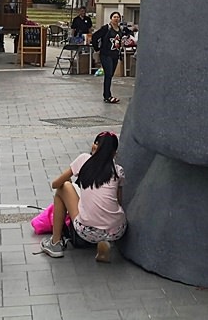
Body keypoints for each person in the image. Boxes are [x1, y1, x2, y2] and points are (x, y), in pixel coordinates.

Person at [40, 131, 126, 263]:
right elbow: (118, 201)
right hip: (117, 230)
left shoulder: (84, 159)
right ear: (114, 153)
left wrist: (68, 177)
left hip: (87, 231)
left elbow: (55, 184)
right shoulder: (118, 170)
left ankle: (55, 243)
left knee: (64, 187)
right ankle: (105, 242)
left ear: (94, 146)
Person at [91, 13, 132, 103]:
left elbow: (129, 32)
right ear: (111, 18)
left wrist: (124, 39)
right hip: (106, 54)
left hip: (115, 54)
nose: (116, 19)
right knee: (108, 74)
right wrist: (97, 48)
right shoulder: (106, 28)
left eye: (118, 17)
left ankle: (107, 95)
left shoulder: (121, 29)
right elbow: (95, 36)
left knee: (110, 75)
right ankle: (107, 96)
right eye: (114, 17)